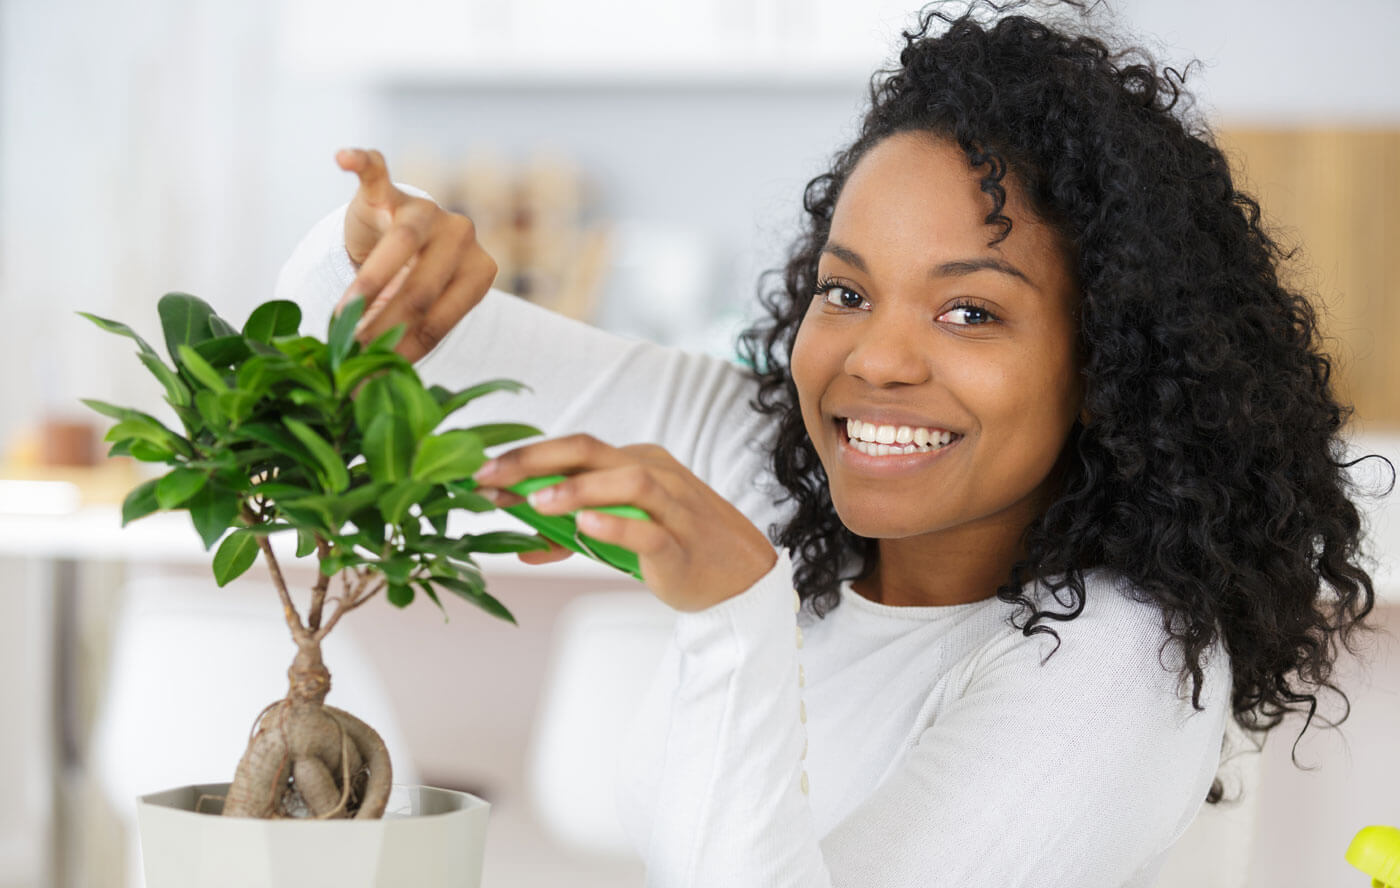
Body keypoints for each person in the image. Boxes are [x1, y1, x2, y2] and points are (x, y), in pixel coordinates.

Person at [275, 3, 1381, 885]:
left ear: (1104, 364)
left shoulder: (1114, 665)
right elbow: (398, 348)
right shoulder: (773, 466)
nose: (876, 360)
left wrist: (730, 615)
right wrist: (379, 243)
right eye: (844, 290)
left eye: (968, 312)